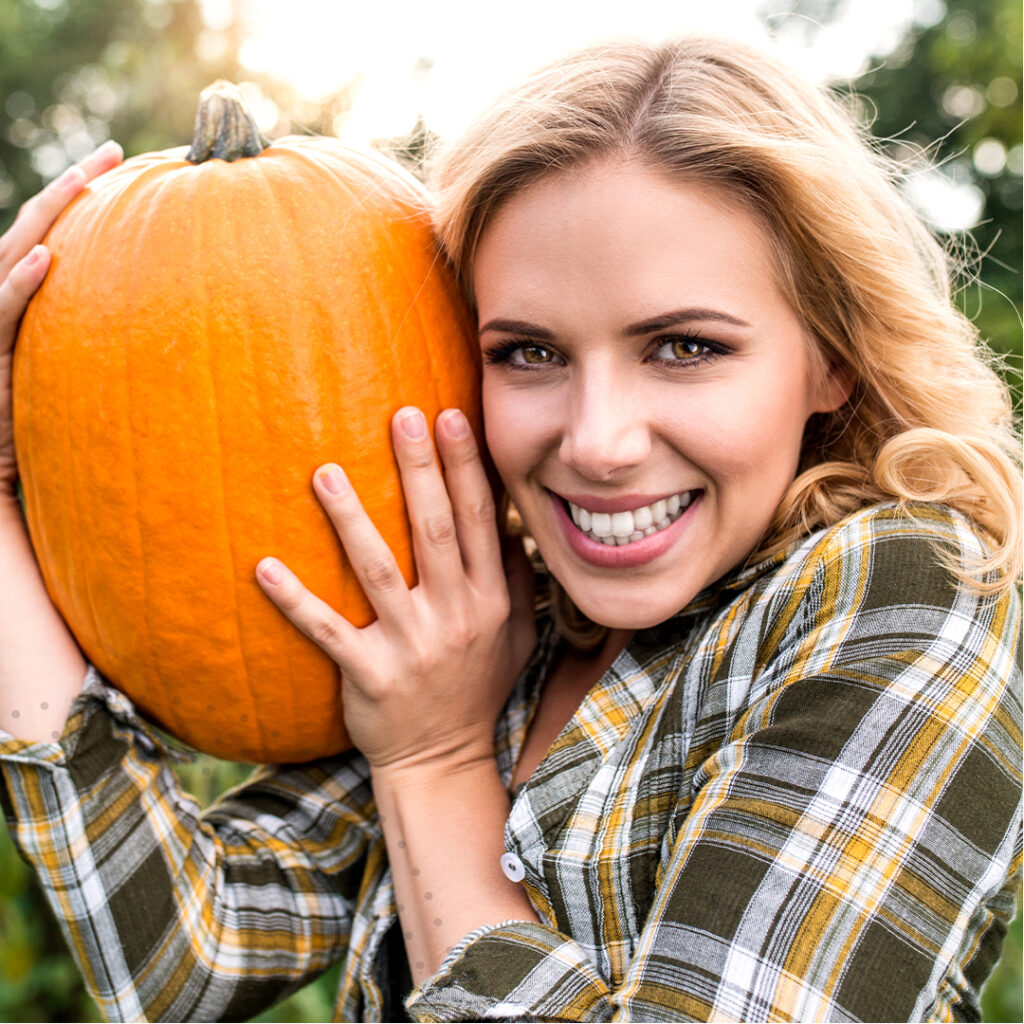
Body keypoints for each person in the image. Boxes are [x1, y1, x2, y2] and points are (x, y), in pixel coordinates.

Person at [1, 34, 1020, 1024]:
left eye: (682, 345)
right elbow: (185, 957)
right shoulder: (506, 619)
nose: (599, 441)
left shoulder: (902, 592)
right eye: (529, 352)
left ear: (831, 358)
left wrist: (435, 761)